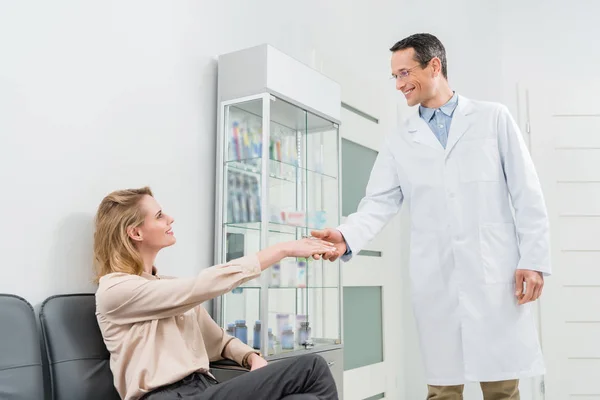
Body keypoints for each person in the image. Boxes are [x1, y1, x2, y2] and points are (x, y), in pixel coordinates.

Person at [312, 33, 550, 400]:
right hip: (437, 278)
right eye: (394, 76)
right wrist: (346, 236)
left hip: (495, 275)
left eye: (404, 72)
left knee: (503, 388)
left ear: (434, 65)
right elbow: (378, 202)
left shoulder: (492, 118)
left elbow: (527, 193)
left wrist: (533, 260)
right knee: (442, 390)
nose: (399, 84)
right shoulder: (400, 139)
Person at [94, 187, 340, 400]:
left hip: (205, 390)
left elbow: (219, 342)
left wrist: (251, 358)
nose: (170, 218)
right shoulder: (115, 290)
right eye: (159, 216)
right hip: (164, 397)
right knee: (312, 368)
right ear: (135, 233)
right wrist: (282, 250)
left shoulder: (171, 290)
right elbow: (201, 285)